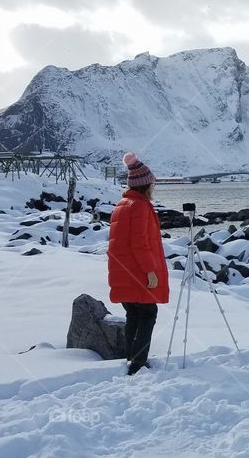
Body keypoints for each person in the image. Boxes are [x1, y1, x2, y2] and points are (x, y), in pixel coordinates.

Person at [107, 152, 169, 375]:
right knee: (147, 313)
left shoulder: (123, 204)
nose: (154, 188)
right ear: (145, 185)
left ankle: (131, 359)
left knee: (133, 314)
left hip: (123, 272)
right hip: (136, 272)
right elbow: (139, 244)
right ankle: (138, 363)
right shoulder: (140, 207)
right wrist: (150, 271)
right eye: (152, 184)